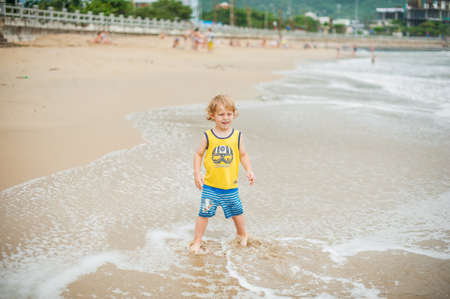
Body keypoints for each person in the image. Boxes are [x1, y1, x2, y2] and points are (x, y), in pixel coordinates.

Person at [189, 95, 256, 254]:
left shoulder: (237, 136)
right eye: (221, 114)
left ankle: (242, 234)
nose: (225, 118)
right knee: (204, 214)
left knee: (237, 212)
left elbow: (243, 155)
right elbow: (198, 154)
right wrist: (197, 173)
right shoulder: (208, 136)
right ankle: (197, 241)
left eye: (229, 114)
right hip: (211, 187)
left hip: (230, 187)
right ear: (212, 116)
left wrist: (249, 170)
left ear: (234, 114)